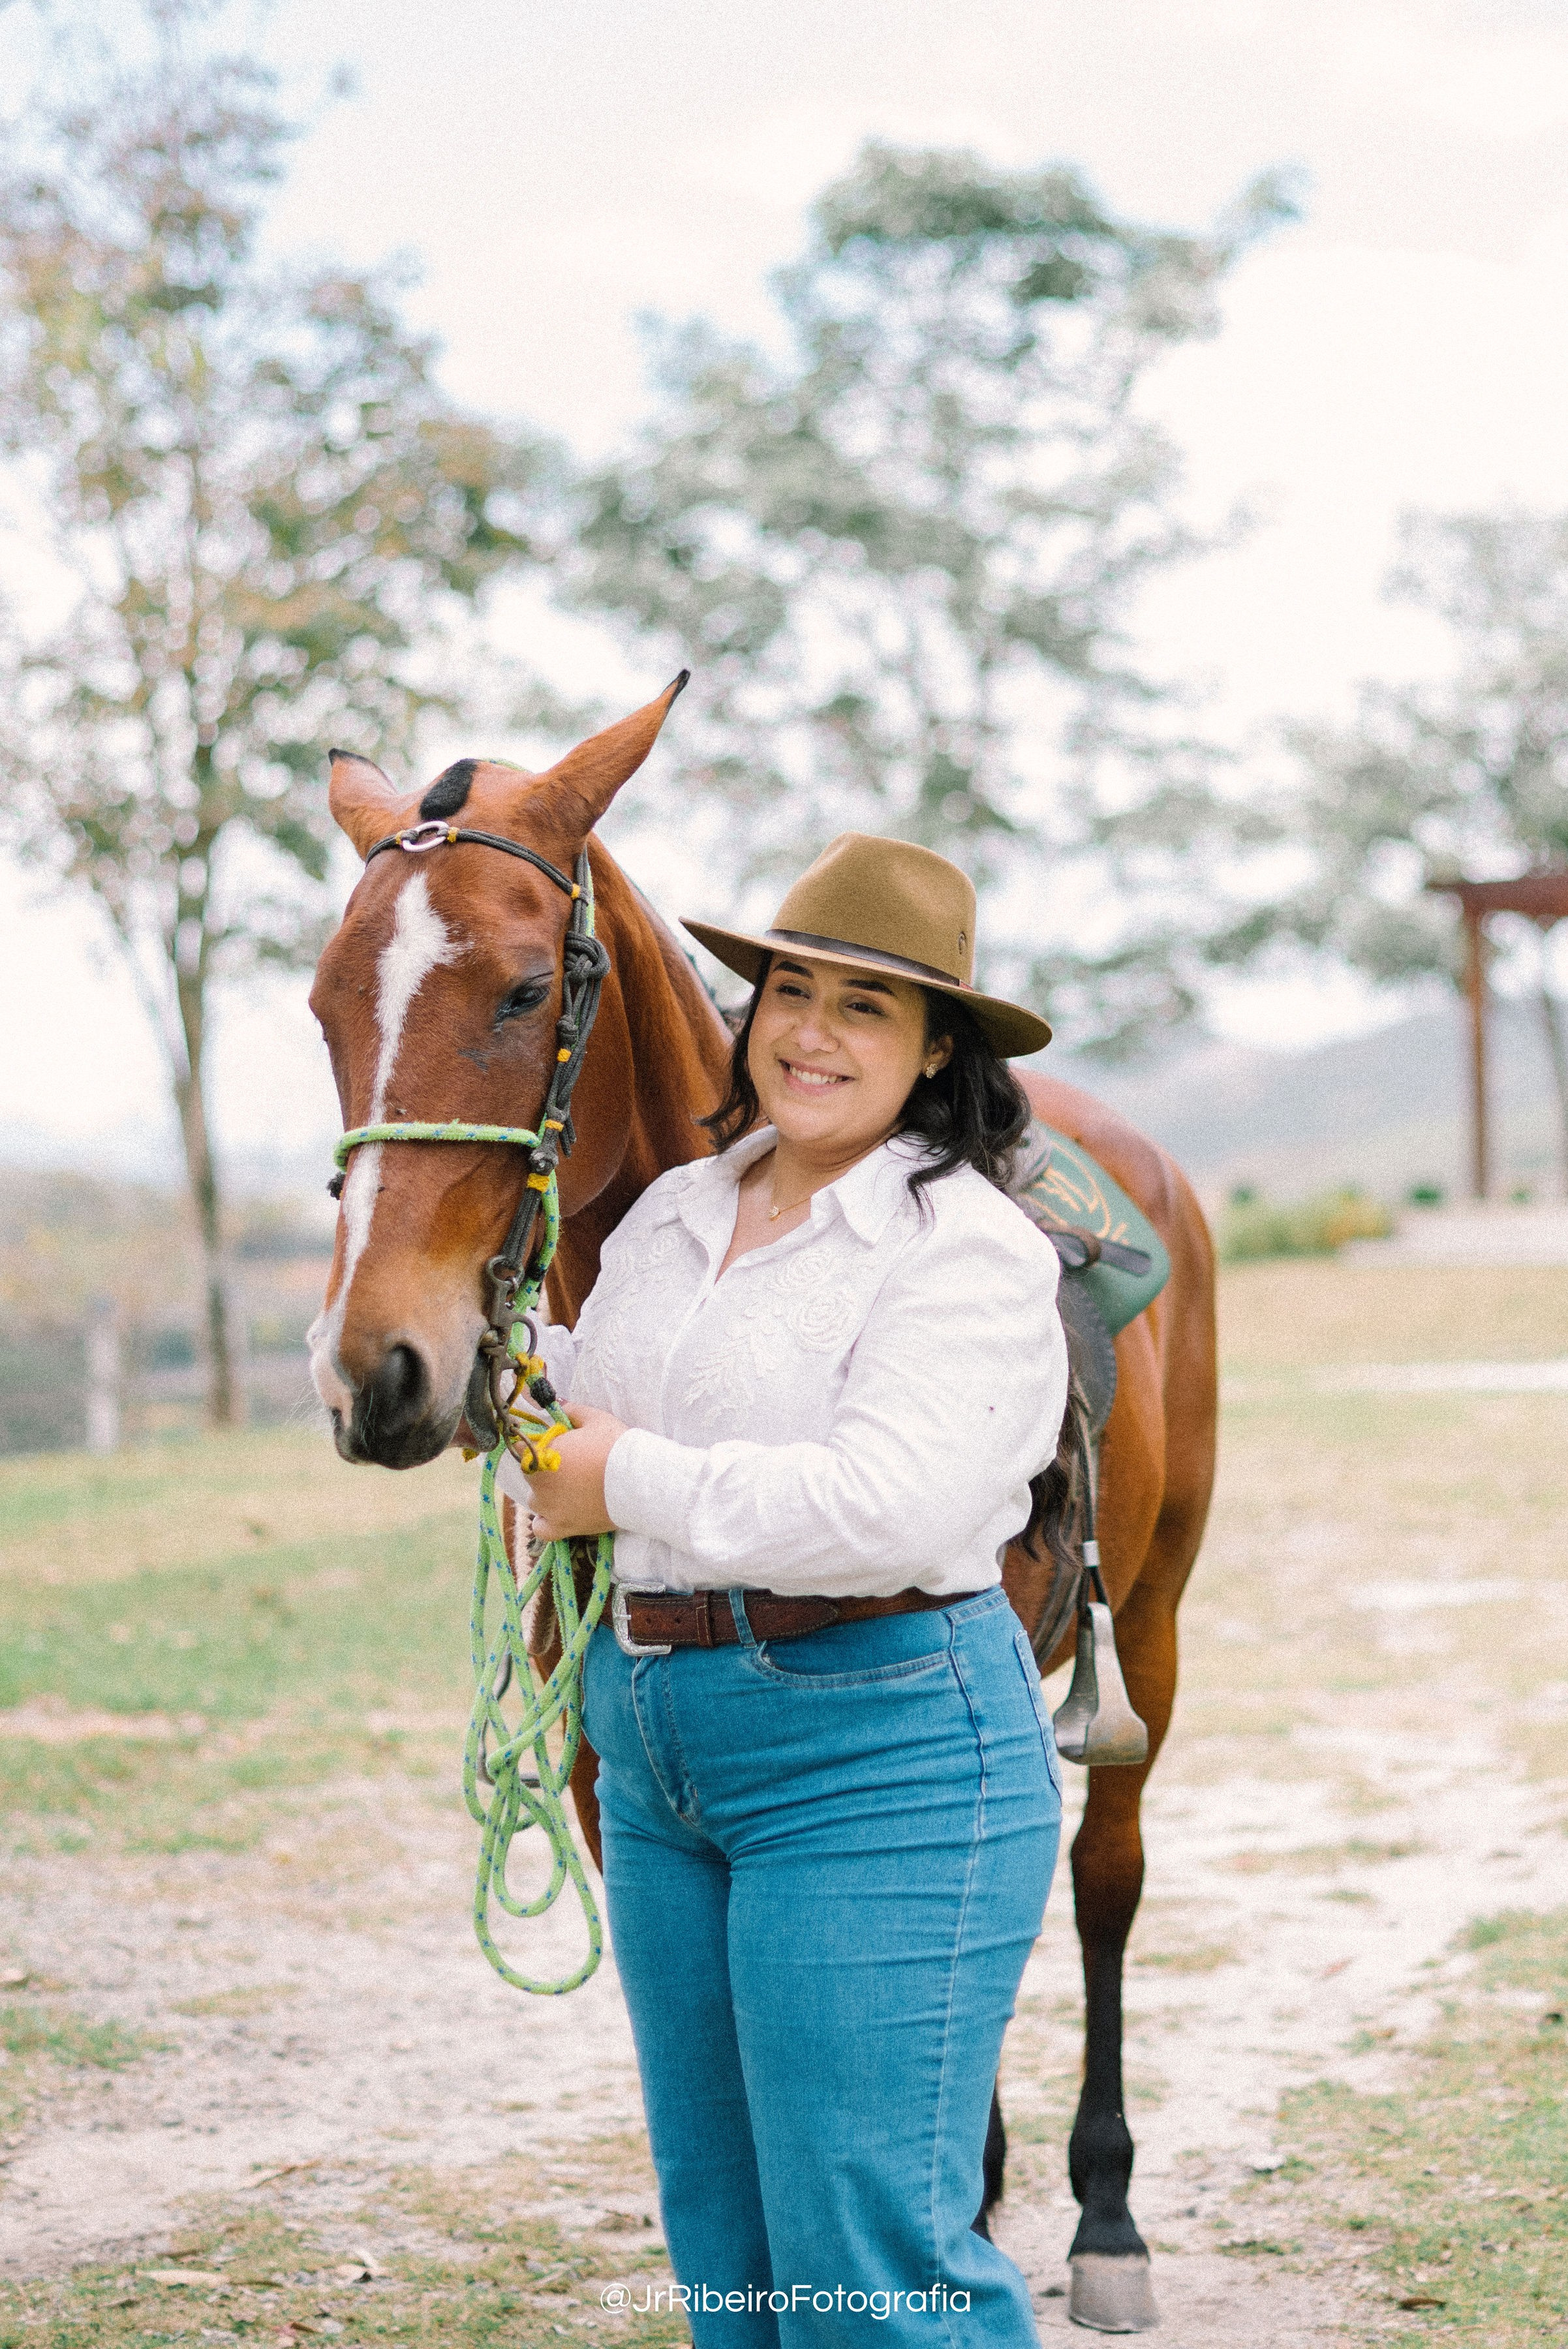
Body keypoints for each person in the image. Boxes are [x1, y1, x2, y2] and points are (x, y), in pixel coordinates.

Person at [510, 832, 1068, 2348]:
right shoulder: (681, 1214)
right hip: (657, 1753)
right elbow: (580, 1413)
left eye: (866, 1008)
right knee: (736, 2251)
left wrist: (616, 1474)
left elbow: (885, 1506)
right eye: (789, 990)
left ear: (938, 1048)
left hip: (875, 1751)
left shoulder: (964, 1250)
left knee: (866, 2265)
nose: (809, 1033)